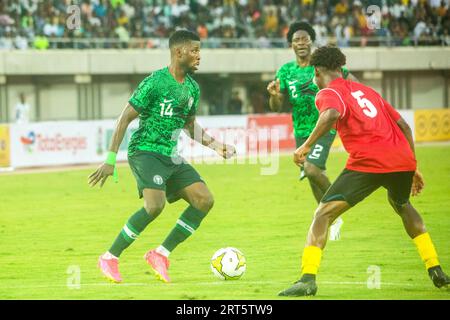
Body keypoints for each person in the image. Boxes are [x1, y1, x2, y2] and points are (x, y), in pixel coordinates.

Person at [278, 45, 450, 296]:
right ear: (341, 68)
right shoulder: (367, 91)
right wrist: (413, 166)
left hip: (369, 161)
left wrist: (305, 146)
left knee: (323, 215)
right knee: (402, 204)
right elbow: (404, 126)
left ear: (317, 71)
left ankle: (307, 279)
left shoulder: (328, 91)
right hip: (401, 159)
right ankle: (435, 269)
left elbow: (331, 114)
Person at [89, 30, 236, 284]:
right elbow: (124, 117)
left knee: (204, 200)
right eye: (194, 51)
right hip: (145, 151)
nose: (199, 56)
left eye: (200, 51)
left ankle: (161, 254)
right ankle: (110, 257)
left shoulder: (192, 88)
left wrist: (216, 145)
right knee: (155, 205)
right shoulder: (155, 82)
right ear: (179, 52)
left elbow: (190, 126)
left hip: (171, 155)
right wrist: (110, 160)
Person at [267, 21, 357, 240]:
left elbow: (354, 84)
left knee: (312, 169)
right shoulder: (286, 71)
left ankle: (338, 208)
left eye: (305, 38)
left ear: (311, 41)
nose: (301, 43)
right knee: (311, 174)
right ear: (291, 44)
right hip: (300, 130)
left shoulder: (322, 64)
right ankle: (328, 218)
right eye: (296, 40)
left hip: (325, 125)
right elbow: (277, 107)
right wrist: (274, 95)